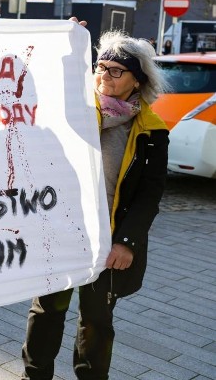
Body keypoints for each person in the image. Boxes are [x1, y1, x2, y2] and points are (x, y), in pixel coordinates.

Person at [21, 30, 169, 379]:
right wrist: (64, 43)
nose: (104, 75)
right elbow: (39, 84)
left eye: (117, 70)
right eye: (101, 66)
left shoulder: (152, 130)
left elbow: (150, 194)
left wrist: (126, 242)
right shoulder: (75, 111)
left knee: (96, 319)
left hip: (110, 238)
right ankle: (34, 375)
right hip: (62, 233)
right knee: (48, 309)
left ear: (137, 80)